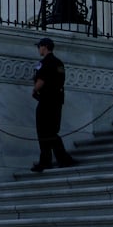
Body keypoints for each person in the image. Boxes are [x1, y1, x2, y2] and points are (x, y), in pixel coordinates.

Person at [30, 37, 78, 172]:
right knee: (52, 131)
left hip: (46, 100)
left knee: (43, 132)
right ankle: (62, 159)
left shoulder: (44, 63)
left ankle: (47, 161)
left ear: (44, 47)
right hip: (57, 101)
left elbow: (41, 80)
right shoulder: (59, 63)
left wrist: (34, 90)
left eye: (39, 46)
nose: (38, 49)